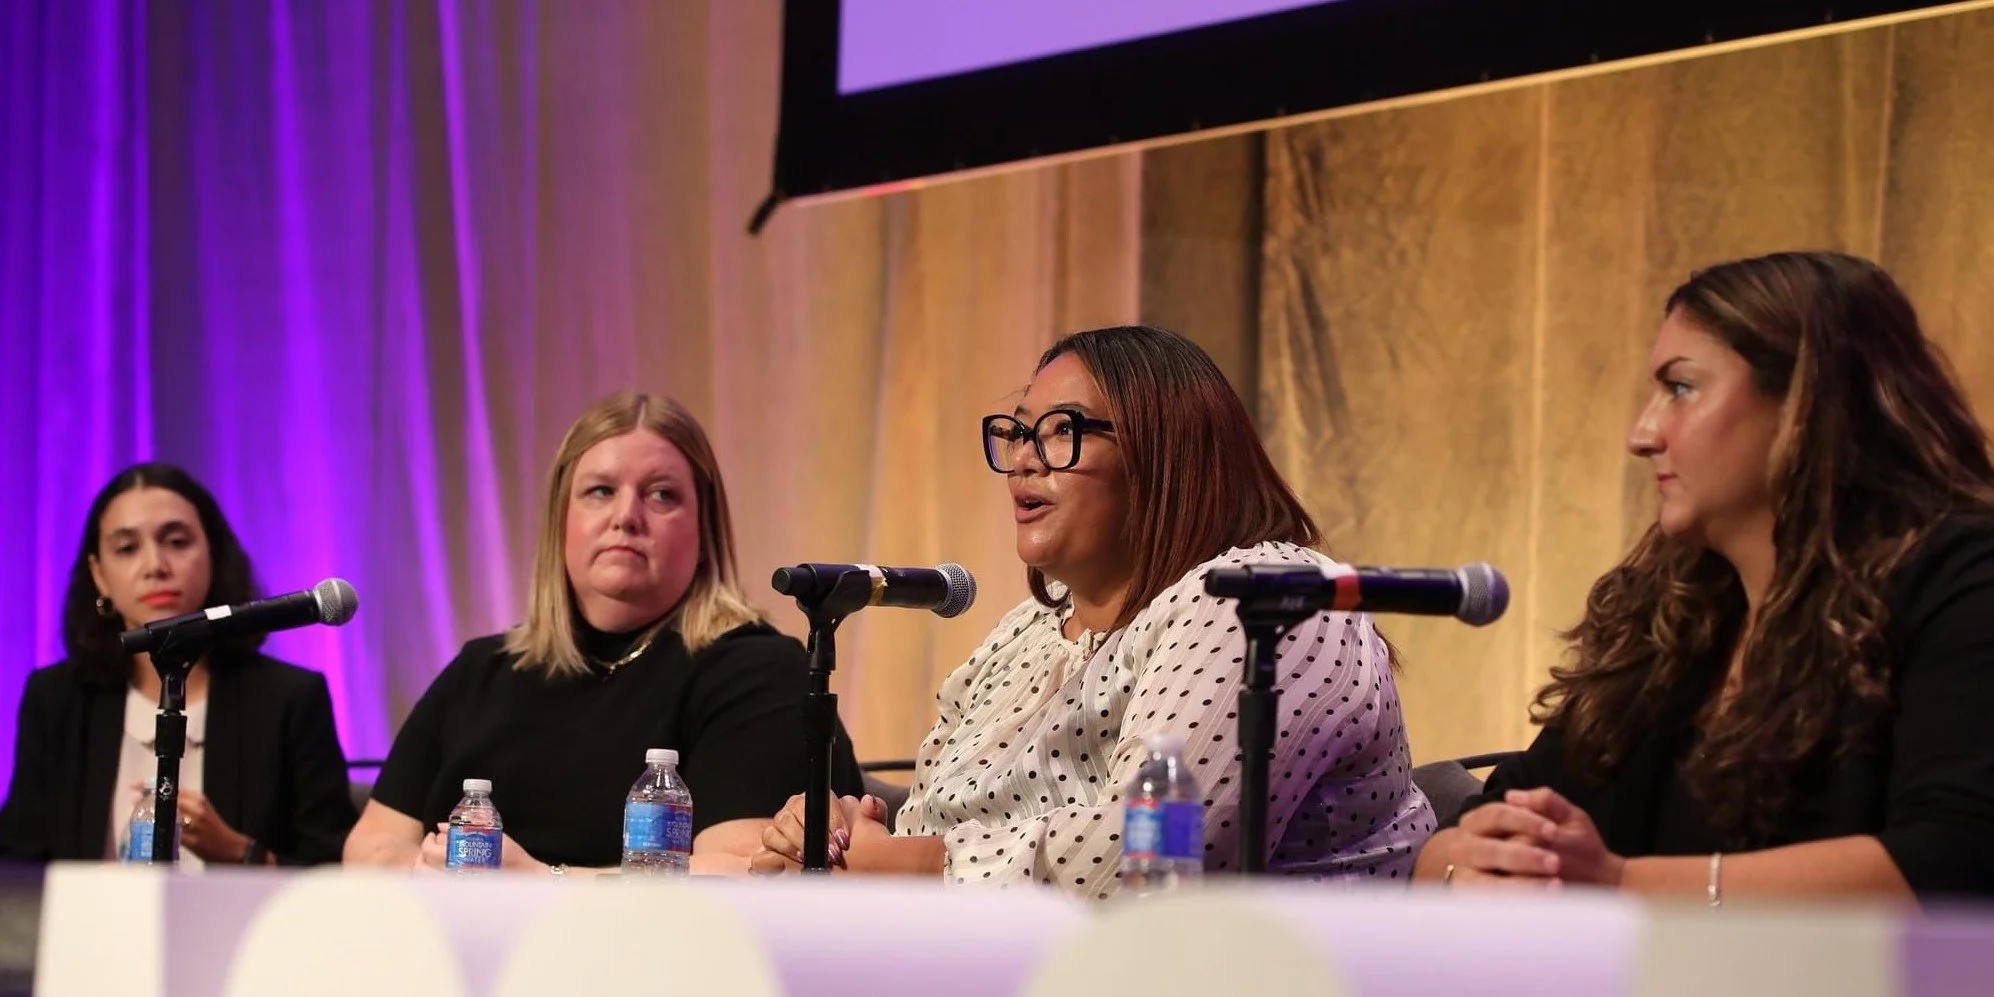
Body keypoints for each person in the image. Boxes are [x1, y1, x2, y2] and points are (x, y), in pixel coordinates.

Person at [750, 326, 1434, 896]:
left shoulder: (1265, 601)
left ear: (1165, 454)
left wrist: (913, 866)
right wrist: (834, 837)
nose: (1023, 461)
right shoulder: (1026, 635)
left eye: (1059, 431)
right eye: (1017, 434)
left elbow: (1144, 861)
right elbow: (925, 823)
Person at [1416, 251, 1994, 901]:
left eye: (1681, 388)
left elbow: (1954, 860)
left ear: (1806, 403)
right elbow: (1507, 804)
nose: (1642, 433)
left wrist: (1623, 881)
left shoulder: (1964, 578)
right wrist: (1459, 862)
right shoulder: (1675, 610)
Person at [344, 392, 864, 875]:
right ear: (560, 522)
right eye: (600, 491)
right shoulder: (480, 670)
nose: (626, 516)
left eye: (661, 495)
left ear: (705, 531)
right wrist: (429, 872)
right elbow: (370, 845)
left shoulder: (760, 671)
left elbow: (742, 872)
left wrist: (540, 885)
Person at [0, 463, 356, 866]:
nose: (156, 566)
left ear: (212, 555)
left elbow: (334, 869)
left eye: (176, 541)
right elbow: (19, 862)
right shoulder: (56, 698)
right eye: (127, 549)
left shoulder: (289, 698)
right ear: (99, 575)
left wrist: (242, 852)